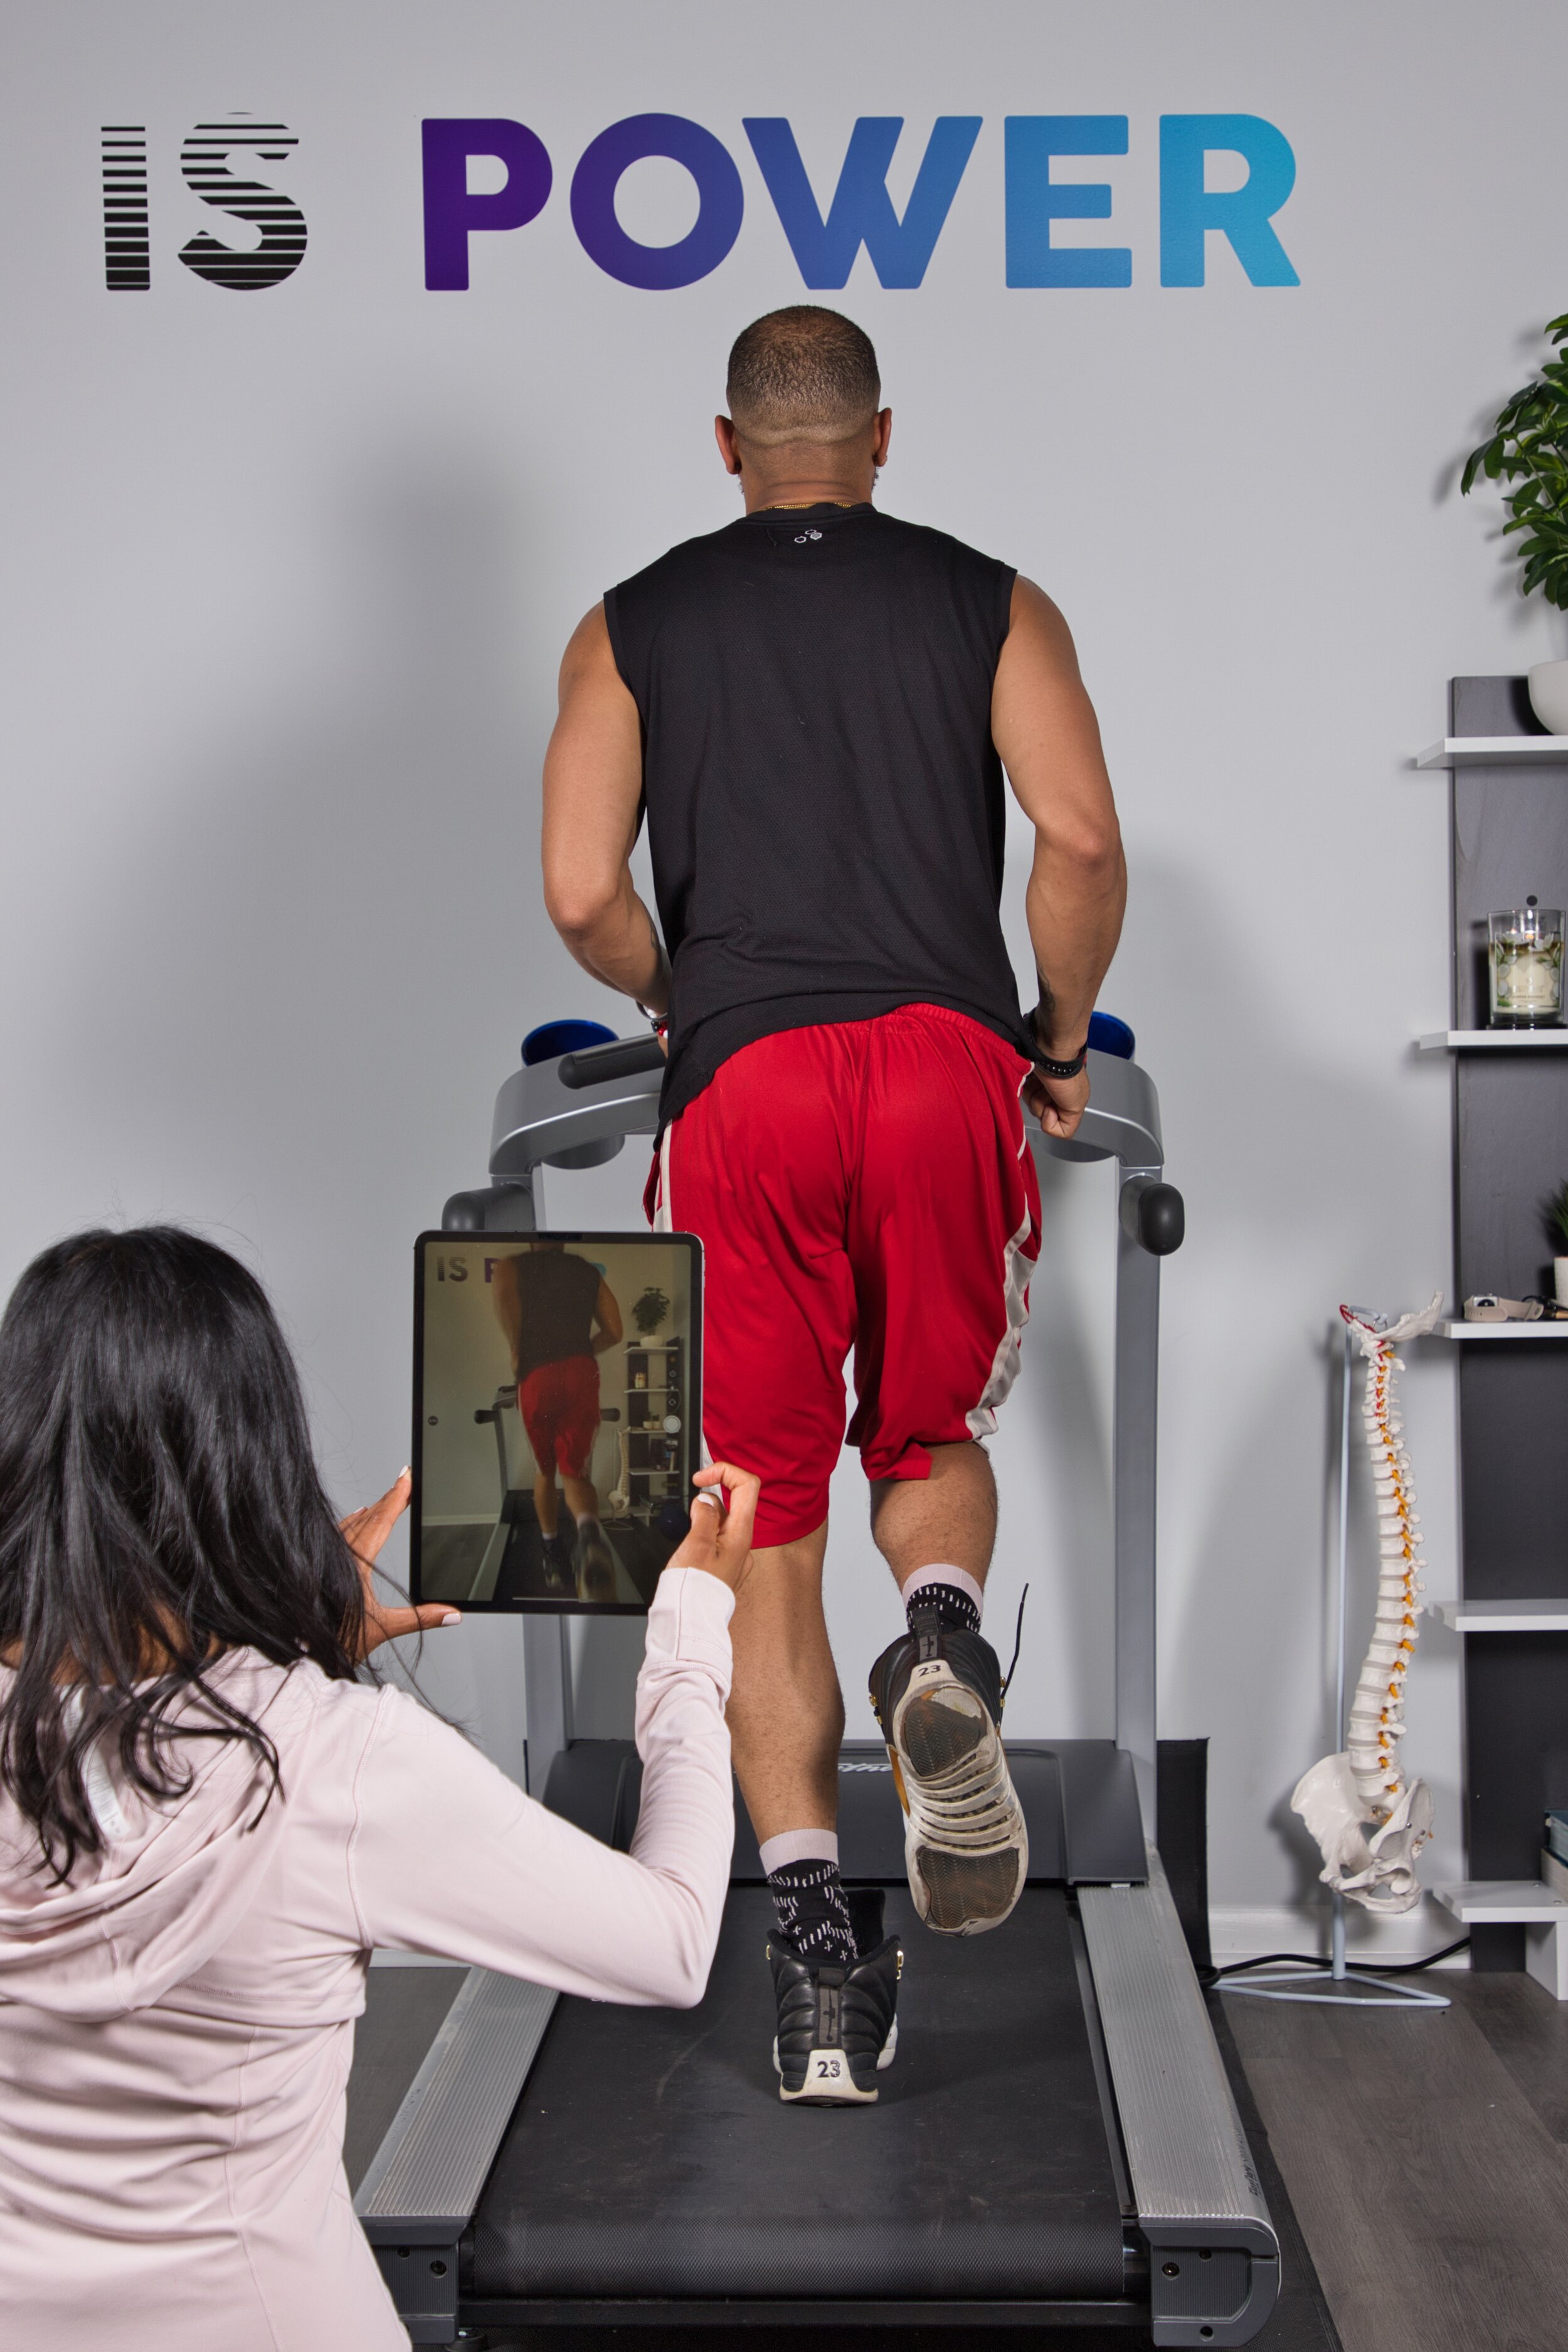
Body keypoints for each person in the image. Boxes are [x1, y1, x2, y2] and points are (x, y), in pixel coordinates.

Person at [541, 305, 1125, 2103]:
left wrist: (676, 985)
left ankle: (809, 1970)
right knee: (924, 1422)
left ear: (728, 447)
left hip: (745, 1087)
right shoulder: (991, 597)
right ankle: (940, 1627)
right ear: (884, 439)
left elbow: (580, 888)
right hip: (943, 1066)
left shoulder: (629, 619)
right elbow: (1081, 841)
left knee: (760, 1516)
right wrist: (1054, 1038)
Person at [0, 1226, 756, 2350]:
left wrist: (297, 1657)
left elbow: (129, 1765)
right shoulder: (340, 1764)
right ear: (242, 1451)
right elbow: (672, 1943)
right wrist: (690, 1638)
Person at [492, 1240, 623, 1596]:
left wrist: (518, 1350)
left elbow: (506, 1303)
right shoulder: (587, 1271)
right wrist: (580, 1351)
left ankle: (552, 1550)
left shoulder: (511, 1265)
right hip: (582, 1373)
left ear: (534, 1241)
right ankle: (589, 1531)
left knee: (545, 1470)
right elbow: (615, 1331)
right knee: (575, 1469)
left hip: (538, 1376)